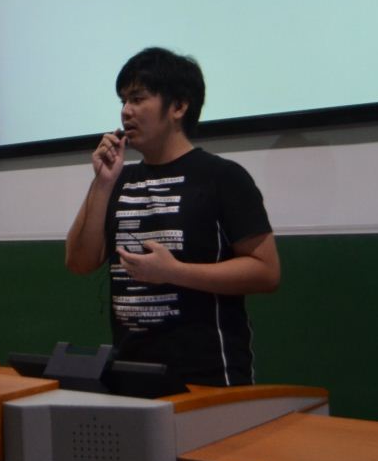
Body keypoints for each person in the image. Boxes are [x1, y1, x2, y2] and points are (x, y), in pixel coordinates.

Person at [64, 47, 280, 386]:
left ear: (179, 106)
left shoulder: (222, 177)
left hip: (208, 378)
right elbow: (79, 262)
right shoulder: (118, 180)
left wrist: (173, 272)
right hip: (130, 374)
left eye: (138, 99)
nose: (126, 111)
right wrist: (102, 183)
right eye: (123, 101)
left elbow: (266, 272)